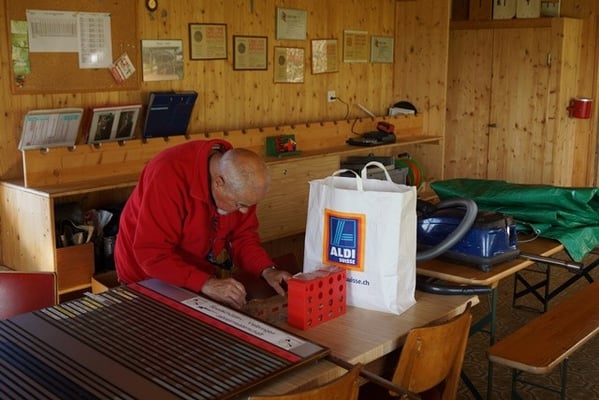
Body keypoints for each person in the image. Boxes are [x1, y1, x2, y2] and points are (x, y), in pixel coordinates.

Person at [114, 139, 291, 309]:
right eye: (239, 205)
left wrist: (266, 270)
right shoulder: (167, 175)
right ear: (219, 183)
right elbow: (152, 254)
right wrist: (205, 283)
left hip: (192, 273)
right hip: (146, 274)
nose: (244, 211)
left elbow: (242, 236)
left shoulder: (239, 182)